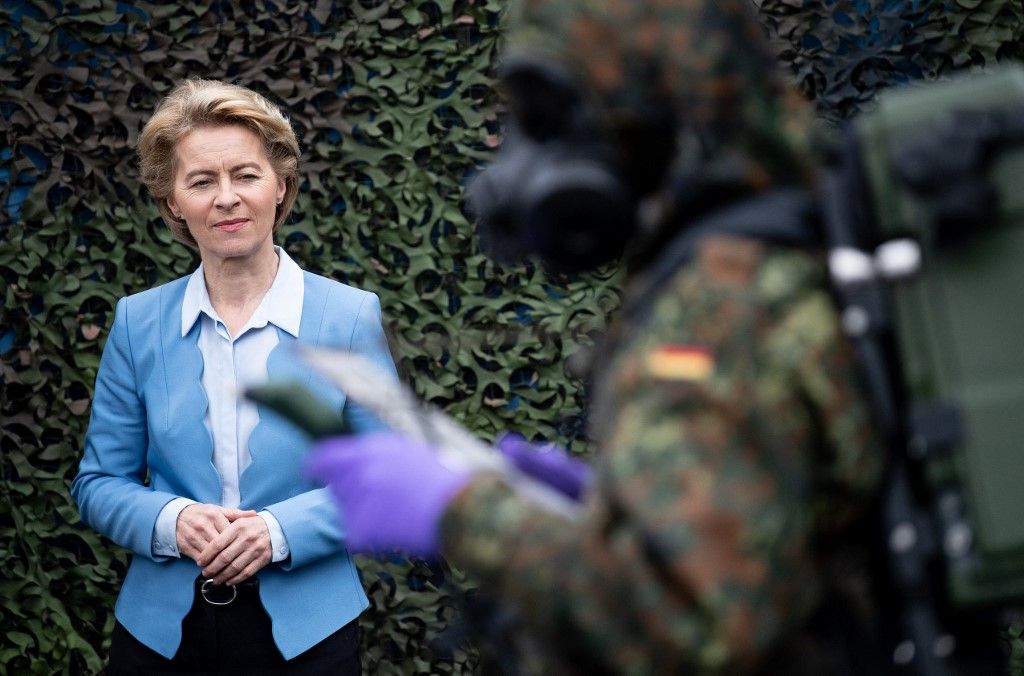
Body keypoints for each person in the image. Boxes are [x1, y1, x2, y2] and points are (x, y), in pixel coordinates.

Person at [307, 1, 887, 673]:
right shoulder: (772, 255)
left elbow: (687, 620)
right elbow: (774, 535)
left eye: (553, 115)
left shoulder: (719, 307)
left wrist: (465, 511)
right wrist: (608, 505)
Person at [71, 78, 397, 675]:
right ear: (173, 201)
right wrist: (173, 520)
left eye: (245, 175)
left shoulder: (350, 316)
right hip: (159, 636)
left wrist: (276, 532)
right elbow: (97, 483)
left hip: (310, 638)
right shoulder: (137, 321)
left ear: (281, 185)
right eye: (201, 181)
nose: (227, 198)